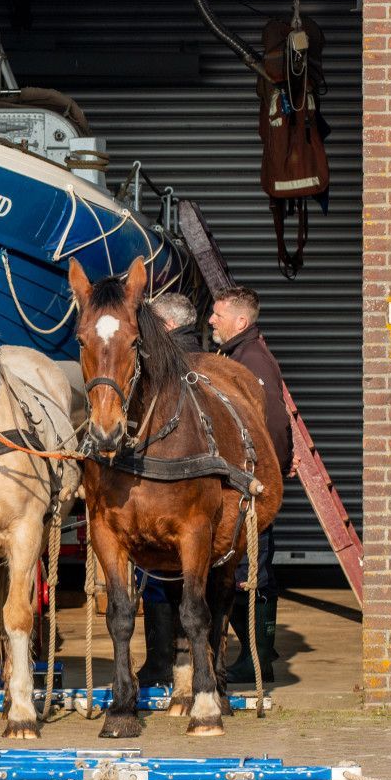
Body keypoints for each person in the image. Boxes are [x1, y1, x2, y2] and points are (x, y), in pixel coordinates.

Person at [208, 285, 293, 685]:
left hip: (251, 487)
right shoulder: (237, 354)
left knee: (251, 571)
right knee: (246, 567)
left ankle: (257, 656)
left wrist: (268, 470)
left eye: (218, 315)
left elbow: (272, 422)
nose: (211, 320)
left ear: (240, 321)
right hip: (244, 483)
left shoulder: (252, 360)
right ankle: (256, 650)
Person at [129, 292, 208, 685]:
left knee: (159, 580)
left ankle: (162, 662)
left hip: (164, 491)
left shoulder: (169, 368)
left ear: (169, 328)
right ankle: (185, 663)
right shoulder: (206, 362)